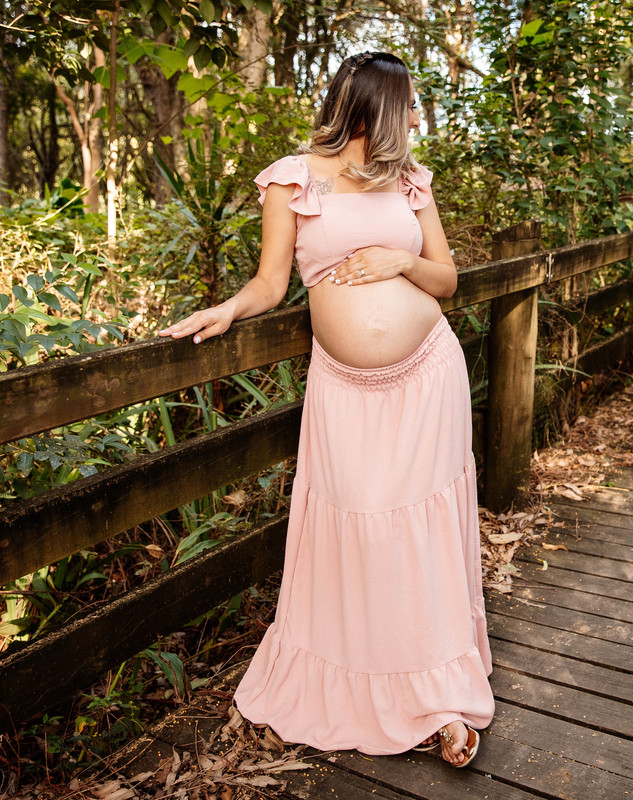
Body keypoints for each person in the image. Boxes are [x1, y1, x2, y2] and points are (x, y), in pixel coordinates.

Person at [157, 52, 492, 768]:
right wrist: (227, 308)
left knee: (420, 535)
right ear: (371, 105)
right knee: (364, 524)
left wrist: (401, 263)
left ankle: (439, 701)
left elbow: (449, 278)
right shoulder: (294, 177)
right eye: (404, 105)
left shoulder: (411, 182)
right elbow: (272, 282)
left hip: (429, 375)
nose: (411, 119)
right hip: (345, 387)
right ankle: (361, 680)